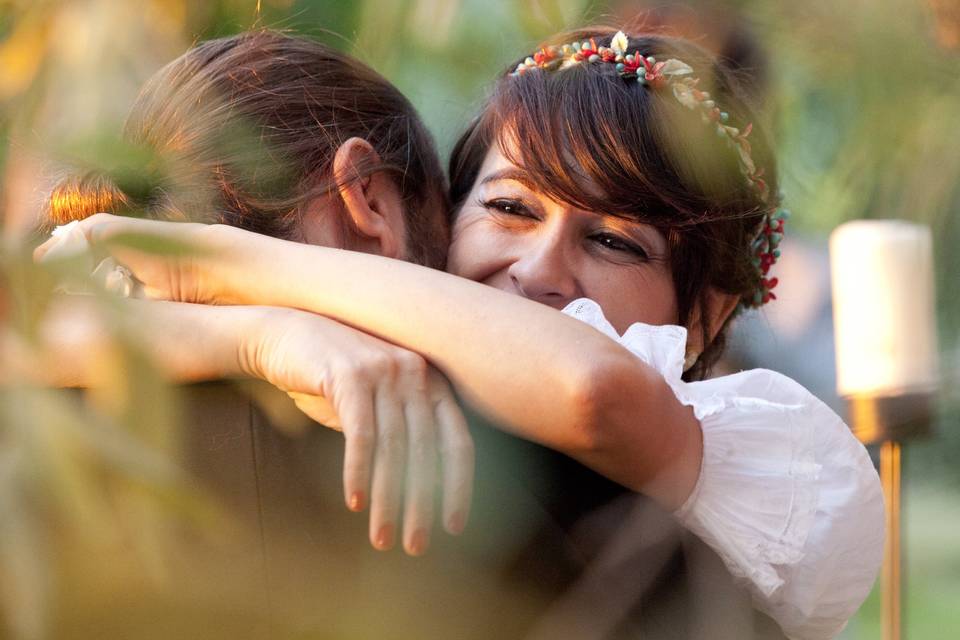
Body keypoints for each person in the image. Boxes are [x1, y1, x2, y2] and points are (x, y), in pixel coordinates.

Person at [33, 28, 884, 639]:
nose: (540, 269)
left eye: (615, 241)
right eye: (510, 208)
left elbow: (594, 390)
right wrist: (260, 336)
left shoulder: (760, 444)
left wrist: (222, 264)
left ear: (708, 314)